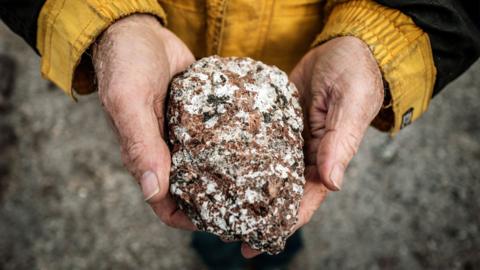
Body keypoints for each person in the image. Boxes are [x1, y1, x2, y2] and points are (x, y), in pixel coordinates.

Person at [1, 0, 479, 269]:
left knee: (274, 228)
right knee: (204, 219)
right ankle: (220, 250)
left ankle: (269, 252)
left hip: (303, 56)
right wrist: (109, 22)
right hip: (162, 54)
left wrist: (380, 42)